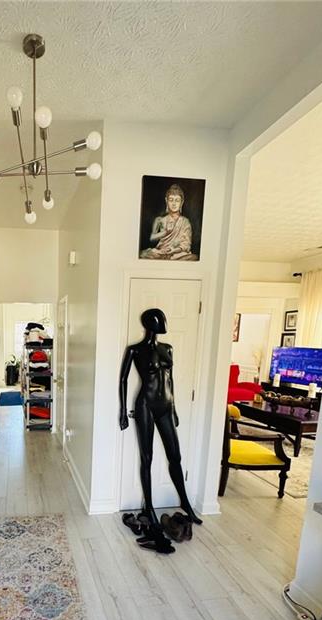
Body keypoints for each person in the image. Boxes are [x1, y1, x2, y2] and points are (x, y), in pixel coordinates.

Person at [119, 308, 202, 554]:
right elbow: (123, 380)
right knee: (147, 458)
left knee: (175, 456)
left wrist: (174, 409)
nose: (165, 322)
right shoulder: (135, 350)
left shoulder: (168, 348)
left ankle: (186, 504)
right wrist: (123, 412)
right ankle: (150, 509)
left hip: (166, 406)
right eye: (160, 319)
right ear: (149, 323)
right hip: (145, 405)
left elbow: (170, 380)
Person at [140, 184, 196, 260]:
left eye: (177, 200)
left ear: (181, 202)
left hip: (177, 253)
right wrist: (165, 232)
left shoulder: (185, 222)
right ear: (166, 201)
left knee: (193, 257)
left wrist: (174, 250)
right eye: (171, 200)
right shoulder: (160, 220)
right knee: (143, 254)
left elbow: (186, 245)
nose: (174, 203)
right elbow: (152, 238)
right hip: (161, 251)